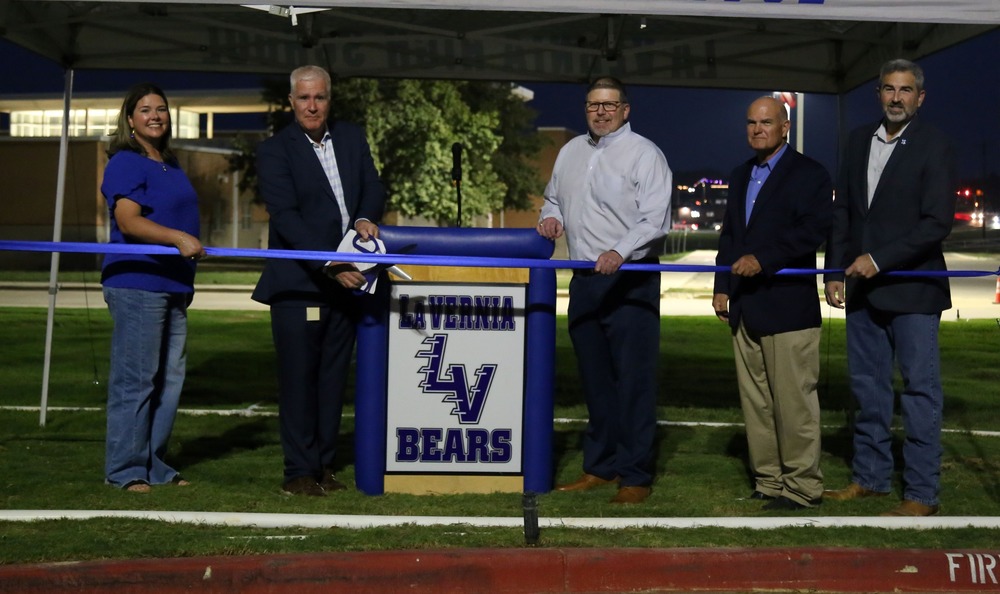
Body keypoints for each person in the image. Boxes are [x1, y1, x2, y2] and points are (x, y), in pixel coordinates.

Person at [823, 58, 957, 517]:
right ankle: (871, 479)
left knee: (920, 392)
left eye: (905, 90)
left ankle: (922, 493)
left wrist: (878, 260)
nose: (896, 98)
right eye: (888, 89)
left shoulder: (935, 145)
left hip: (914, 289)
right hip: (861, 290)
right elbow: (842, 213)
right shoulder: (858, 140)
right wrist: (835, 271)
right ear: (878, 93)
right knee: (867, 389)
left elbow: (936, 222)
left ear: (920, 97)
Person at [252, 65, 386, 496]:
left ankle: (325, 467)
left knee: (331, 381)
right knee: (299, 382)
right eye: (304, 98)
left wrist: (364, 217)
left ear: (330, 99)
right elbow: (287, 218)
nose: (312, 106)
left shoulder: (351, 138)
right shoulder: (275, 151)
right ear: (291, 102)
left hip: (346, 286)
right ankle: (299, 472)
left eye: (320, 97)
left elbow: (373, 187)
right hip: (300, 284)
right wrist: (333, 264)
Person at [537, 77, 672, 504]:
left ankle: (635, 475)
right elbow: (552, 199)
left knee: (633, 382)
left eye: (609, 105)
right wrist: (550, 218)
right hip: (584, 280)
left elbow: (655, 221)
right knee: (595, 381)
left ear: (625, 110)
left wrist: (619, 251)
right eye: (593, 105)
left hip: (631, 280)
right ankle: (600, 466)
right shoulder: (570, 152)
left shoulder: (645, 154)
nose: (601, 112)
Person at [712, 96, 833, 511]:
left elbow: (813, 229)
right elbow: (730, 236)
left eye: (766, 122)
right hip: (745, 306)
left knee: (794, 404)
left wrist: (763, 259)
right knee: (756, 402)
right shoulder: (740, 174)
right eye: (751, 122)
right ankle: (769, 480)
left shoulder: (810, 174)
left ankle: (802, 488)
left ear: (785, 127)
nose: (757, 129)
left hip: (788, 308)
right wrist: (722, 285)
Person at [100, 82, 205, 493]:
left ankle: (154, 464)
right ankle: (124, 469)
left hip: (173, 283)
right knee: (137, 378)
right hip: (138, 282)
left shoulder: (169, 163)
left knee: (169, 380)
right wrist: (178, 238)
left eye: (161, 109)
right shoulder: (126, 162)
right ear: (130, 119)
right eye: (145, 110)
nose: (155, 116)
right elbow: (129, 221)